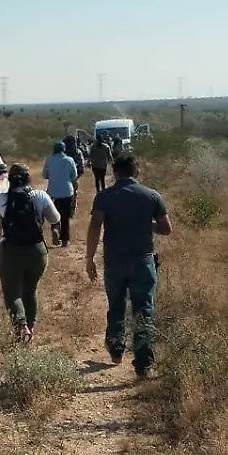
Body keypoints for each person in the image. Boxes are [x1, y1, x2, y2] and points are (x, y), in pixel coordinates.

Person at [85, 155, 172, 378]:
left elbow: (95, 226)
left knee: (116, 305)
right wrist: (146, 224)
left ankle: (116, 350)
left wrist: (90, 258)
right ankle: (143, 363)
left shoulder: (104, 197)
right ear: (136, 171)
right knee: (144, 308)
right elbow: (166, 228)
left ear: (115, 173)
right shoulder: (151, 196)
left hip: (114, 261)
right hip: (143, 260)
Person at [0, 163, 61, 343]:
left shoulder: (0, 200)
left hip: (11, 251)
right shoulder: (40, 196)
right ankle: (31, 326)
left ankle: (21, 326)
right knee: (31, 290)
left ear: (9, 179)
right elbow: (55, 218)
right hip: (36, 251)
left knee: (12, 293)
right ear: (28, 178)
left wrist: (7, 237)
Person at [41, 141, 79, 246]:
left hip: (52, 192)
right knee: (65, 216)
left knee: (54, 213)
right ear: (64, 149)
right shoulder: (69, 160)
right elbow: (74, 176)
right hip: (67, 192)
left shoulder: (49, 160)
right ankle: (65, 240)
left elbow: (45, 175)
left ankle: (55, 228)